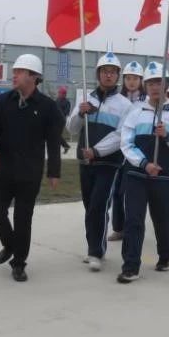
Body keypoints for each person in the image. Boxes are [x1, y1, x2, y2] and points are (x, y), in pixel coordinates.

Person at [0, 54, 62, 282]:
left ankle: (19, 263)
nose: (14, 75)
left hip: (30, 173)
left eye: (19, 71)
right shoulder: (3, 101)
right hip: (4, 170)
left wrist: (54, 171)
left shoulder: (48, 107)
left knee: (23, 218)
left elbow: (53, 142)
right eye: (14, 71)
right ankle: (9, 244)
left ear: (33, 77)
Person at [116, 62, 169, 283]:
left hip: (165, 177)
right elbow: (126, 144)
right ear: (145, 86)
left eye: (159, 82)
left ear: (166, 84)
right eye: (150, 83)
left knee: (162, 220)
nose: (155, 87)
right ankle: (130, 266)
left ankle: (165, 255)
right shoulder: (135, 113)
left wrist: (168, 136)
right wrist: (144, 163)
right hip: (137, 175)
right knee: (133, 220)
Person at [67, 52, 132, 271]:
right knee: (89, 207)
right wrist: (80, 113)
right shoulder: (86, 98)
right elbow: (71, 128)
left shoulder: (124, 105)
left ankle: (96, 251)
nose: (108, 75)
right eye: (105, 71)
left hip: (108, 164)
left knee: (98, 206)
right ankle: (93, 247)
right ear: (98, 74)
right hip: (85, 163)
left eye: (112, 72)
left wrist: (96, 151)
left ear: (118, 76)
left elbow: (120, 135)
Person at [108, 60, 145, 243]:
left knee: (128, 193)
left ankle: (131, 227)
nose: (131, 82)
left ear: (141, 80)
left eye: (135, 78)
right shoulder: (118, 99)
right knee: (116, 191)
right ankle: (118, 228)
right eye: (128, 78)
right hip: (117, 150)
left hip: (135, 151)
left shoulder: (146, 102)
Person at [55, 86, 71, 154]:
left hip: (61, 120)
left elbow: (66, 112)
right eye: (59, 93)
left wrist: (59, 113)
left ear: (64, 94)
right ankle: (66, 146)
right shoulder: (57, 100)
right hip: (55, 120)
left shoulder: (67, 102)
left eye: (60, 93)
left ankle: (65, 146)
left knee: (57, 134)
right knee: (56, 134)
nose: (59, 94)